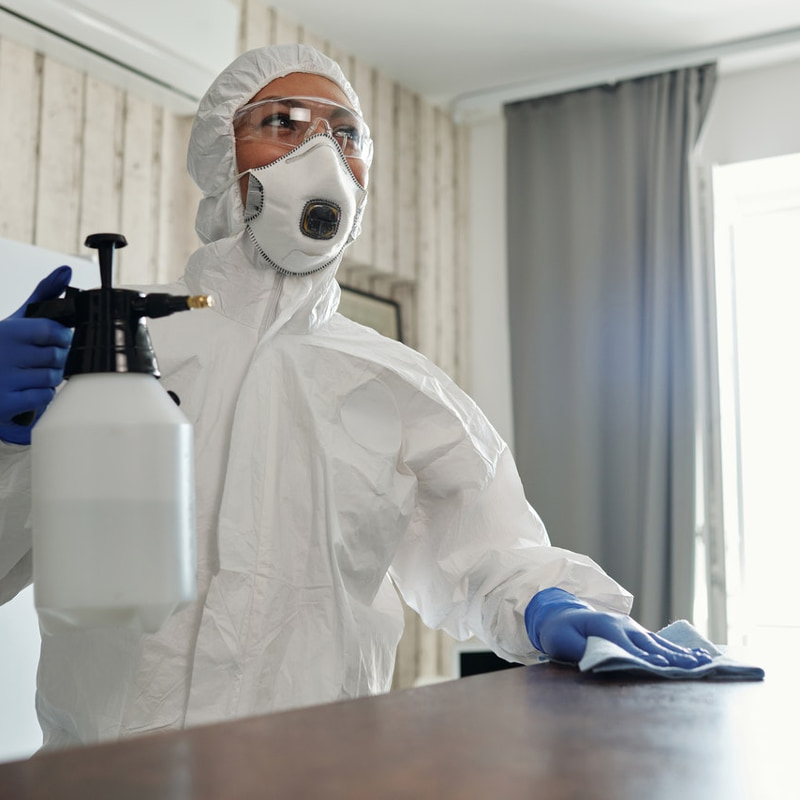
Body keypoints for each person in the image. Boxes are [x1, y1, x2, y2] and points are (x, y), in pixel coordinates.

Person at [0, 44, 710, 750]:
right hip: (107, 781)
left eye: (345, 134)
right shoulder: (104, 348)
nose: (323, 154)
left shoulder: (398, 384)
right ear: (223, 158)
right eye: (283, 122)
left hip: (318, 778)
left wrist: (548, 602)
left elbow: (491, 552)